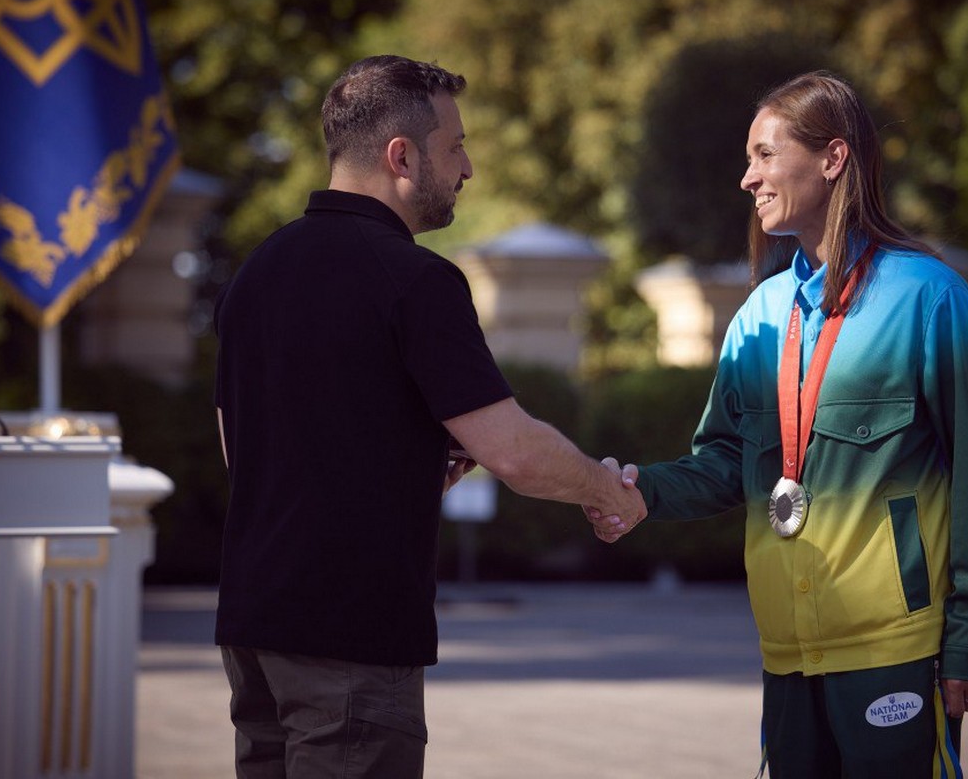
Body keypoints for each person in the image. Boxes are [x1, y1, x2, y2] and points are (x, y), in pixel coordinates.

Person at [213, 54, 646, 778]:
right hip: (352, 637)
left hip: (254, 633)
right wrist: (610, 495)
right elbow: (512, 451)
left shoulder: (256, 272)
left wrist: (400, 465)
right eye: (456, 146)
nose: (468, 168)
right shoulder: (416, 280)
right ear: (401, 156)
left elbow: (247, 451)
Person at [588, 71, 968, 778]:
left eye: (763, 155)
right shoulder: (758, 315)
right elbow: (726, 461)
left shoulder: (930, 298)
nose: (747, 178)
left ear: (833, 158)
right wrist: (641, 493)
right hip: (785, 653)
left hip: (895, 653)